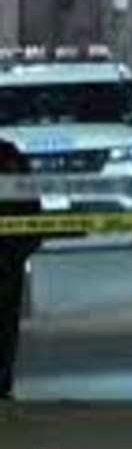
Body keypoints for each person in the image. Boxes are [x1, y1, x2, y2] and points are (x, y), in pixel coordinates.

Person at [0, 139, 41, 400]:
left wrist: (21, 249)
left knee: (5, 322)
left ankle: (1, 386)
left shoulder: (8, 155)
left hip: (6, 257)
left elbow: (31, 204)